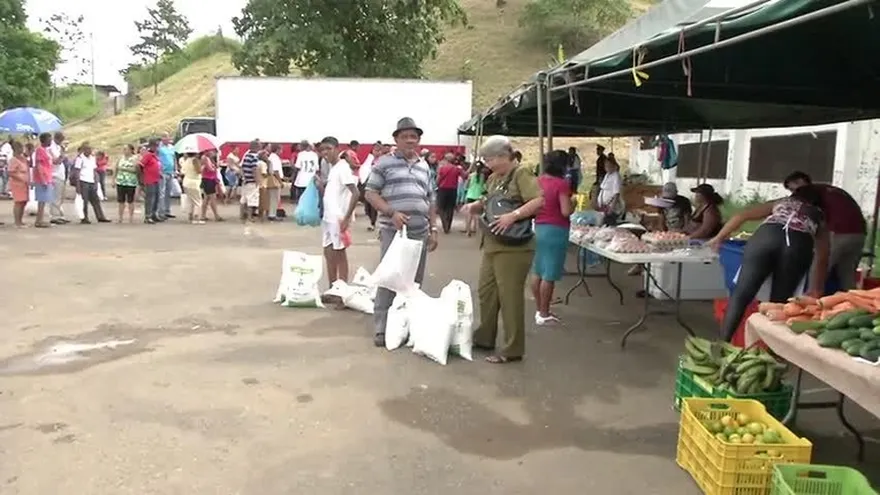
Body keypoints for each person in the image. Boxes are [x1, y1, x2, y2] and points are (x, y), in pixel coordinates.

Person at [708, 185, 830, 342]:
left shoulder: (781, 202)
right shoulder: (818, 215)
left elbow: (742, 216)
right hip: (797, 244)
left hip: (766, 237)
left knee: (741, 295)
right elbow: (822, 256)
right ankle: (768, 353)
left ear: (794, 195)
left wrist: (719, 238)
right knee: (778, 304)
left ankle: (722, 344)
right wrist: (816, 288)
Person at [461, 135, 543, 363]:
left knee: (510, 298)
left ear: (502, 156)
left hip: (514, 248)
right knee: (486, 292)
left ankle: (512, 349)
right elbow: (488, 201)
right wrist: (474, 206)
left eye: (489, 159)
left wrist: (513, 215)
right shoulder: (494, 178)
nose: (486, 163)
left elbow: (538, 201)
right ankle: (484, 337)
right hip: (492, 244)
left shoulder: (521, 174)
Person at [365, 117, 439, 348]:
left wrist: (433, 228)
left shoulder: (424, 165)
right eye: (405, 136)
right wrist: (391, 212)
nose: (410, 140)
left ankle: (407, 325)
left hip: (420, 231)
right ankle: (381, 327)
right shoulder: (384, 164)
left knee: (414, 282)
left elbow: (431, 198)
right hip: (393, 232)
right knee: (390, 277)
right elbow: (370, 193)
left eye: (414, 137)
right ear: (396, 139)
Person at [783, 171, 866, 291]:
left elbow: (811, 218)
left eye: (793, 189)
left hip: (838, 233)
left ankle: (810, 300)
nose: (794, 193)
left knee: (819, 268)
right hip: (859, 234)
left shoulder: (809, 192)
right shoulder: (830, 189)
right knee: (847, 274)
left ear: (800, 182)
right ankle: (853, 303)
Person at [531, 150, 573, 325]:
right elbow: (565, 211)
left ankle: (539, 308)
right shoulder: (561, 184)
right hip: (556, 230)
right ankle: (544, 313)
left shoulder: (537, 182)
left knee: (537, 271)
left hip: (538, 227)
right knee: (549, 274)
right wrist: (574, 204)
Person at [321, 138, 360, 285]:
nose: (325, 152)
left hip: (338, 218)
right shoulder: (334, 168)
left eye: (328, 148)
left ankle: (342, 291)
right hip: (328, 217)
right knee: (328, 252)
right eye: (322, 149)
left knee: (339, 253)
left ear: (337, 149)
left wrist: (346, 218)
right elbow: (334, 193)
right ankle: (333, 287)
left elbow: (355, 193)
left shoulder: (343, 168)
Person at [74, 142, 110, 224]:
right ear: (83, 150)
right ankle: (84, 217)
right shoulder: (80, 158)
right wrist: (78, 185)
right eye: (87, 149)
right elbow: (77, 172)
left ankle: (100, 216)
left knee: (95, 200)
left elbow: (94, 170)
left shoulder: (92, 158)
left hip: (91, 181)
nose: (89, 151)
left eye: (90, 149)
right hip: (83, 181)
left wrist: (96, 181)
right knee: (84, 201)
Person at [436, 154, 464, 233]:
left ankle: (444, 222)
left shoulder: (442, 168)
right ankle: (448, 226)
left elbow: (438, 179)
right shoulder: (457, 169)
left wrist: (437, 184)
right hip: (453, 190)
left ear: (446, 160)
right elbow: (465, 175)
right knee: (450, 208)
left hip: (443, 189)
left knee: (441, 207)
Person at [32, 133, 55, 228]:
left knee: (44, 199)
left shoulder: (47, 150)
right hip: (43, 178)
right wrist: (43, 179)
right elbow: (39, 165)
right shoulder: (40, 150)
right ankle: (39, 220)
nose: (50, 141)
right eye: (49, 139)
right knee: (41, 200)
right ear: (44, 140)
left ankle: (40, 219)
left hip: (48, 176)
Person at [358, 142, 381, 231]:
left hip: (378, 187)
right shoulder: (369, 160)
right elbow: (364, 170)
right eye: (375, 150)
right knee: (367, 207)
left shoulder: (382, 161)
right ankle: (371, 220)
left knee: (373, 206)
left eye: (379, 150)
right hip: (367, 185)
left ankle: (373, 223)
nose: (377, 152)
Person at [47, 132, 69, 224]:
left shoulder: (58, 147)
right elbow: (56, 161)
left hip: (61, 175)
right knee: (55, 196)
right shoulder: (51, 148)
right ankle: (54, 216)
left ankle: (60, 214)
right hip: (54, 174)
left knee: (60, 196)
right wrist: (62, 153)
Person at [114, 144, 139, 223]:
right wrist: (113, 179)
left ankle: (131, 217)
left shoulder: (135, 158)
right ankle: (120, 217)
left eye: (126, 149)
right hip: (121, 181)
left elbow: (135, 169)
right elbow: (116, 168)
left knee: (130, 200)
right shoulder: (120, 158)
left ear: (131, 150)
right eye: (124, 149)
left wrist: (125, 169)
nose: (125, 151)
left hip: (130, 182)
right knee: (121, 200)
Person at [596, 153, 624, 224]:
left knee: (609, 224)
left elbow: (616, 193)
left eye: (609, 166)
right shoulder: (607, 175)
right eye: (606, 166)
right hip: (604, 206)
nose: (607, 168)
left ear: (614, 166)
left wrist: (612, 207)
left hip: (611, 207)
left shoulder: (616, 176)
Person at [462, 160, 488, 236]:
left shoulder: (471, 176)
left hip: (470, 195)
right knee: (477, 214)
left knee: (469, 214)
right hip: (479, 196)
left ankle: (468, 230)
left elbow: (466, 186)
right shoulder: (484, 176)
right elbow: (485, 187)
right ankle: (476, 229)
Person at [140, 138, 162, 224]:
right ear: (152, 146)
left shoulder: (155, 155)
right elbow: (140, 165)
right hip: (149, 179)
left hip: (156, 178)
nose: (157, 148)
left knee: (156, 197)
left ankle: (154, 214)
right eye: (156, 146)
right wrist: (142, 177)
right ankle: (148, 216)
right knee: (150, 198)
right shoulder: (148, 155)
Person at [8, 141, 29, 227]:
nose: (21, 149)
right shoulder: (13, 160)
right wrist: (20, 178)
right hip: (17, 183)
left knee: (24, 202)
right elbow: (11, 172)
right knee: (18, 202)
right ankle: (17, 222)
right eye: (20, 148)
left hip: (24, 183)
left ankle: (20, 220)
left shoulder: (23, 158)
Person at [156, 133, 177, 220]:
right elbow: (157, 159)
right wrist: (159, 170)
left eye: (167, 137)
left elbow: (174, 158)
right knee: (162, 192)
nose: (166, 139)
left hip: (170, 171)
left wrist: (175, 169)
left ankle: (167, 210)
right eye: (163, 137)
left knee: (169, 192)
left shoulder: (172, 147)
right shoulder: (159, 148)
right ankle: (161, 212)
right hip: (162, 172)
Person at [239, 141, 261, 223]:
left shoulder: (246, 156)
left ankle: (241, 215)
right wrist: (257, 180)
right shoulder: (254, 157)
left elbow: (242, 167)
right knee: (252, 199)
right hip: (252, 180)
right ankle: (249, 217)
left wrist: (244, 177)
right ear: (256, 147)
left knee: (244, 198)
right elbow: (254, 169)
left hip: (246, 180)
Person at [179, 152, 203, 224]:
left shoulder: (186, 160)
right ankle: (196, 218)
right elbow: (198, 171)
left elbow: (182, 172)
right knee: (198, 201)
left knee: (190, 200)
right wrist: (203, 167)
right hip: (194, 182)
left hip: (186, 182)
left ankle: (190, 216)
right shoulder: (195, 161)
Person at [200, 150, 223, 222]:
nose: (214, 153)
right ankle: (216, 215)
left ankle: (203, 215)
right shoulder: (205, 158)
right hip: (208, 179)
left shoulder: (210, 159)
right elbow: (210, 169)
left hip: (211, 179)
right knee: (212, 198)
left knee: (206, 198)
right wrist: (216, 167)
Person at [266, 144, 284, 221]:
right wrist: (280, 182)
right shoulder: (275, 158)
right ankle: (272, 215)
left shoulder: (271, 157)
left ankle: (271, 213)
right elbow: (276, 171)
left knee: (272, 198)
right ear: (277, 150)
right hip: (275, 179)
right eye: (281, 150)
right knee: (275, 198)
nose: (282, 151)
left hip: (271, 178)